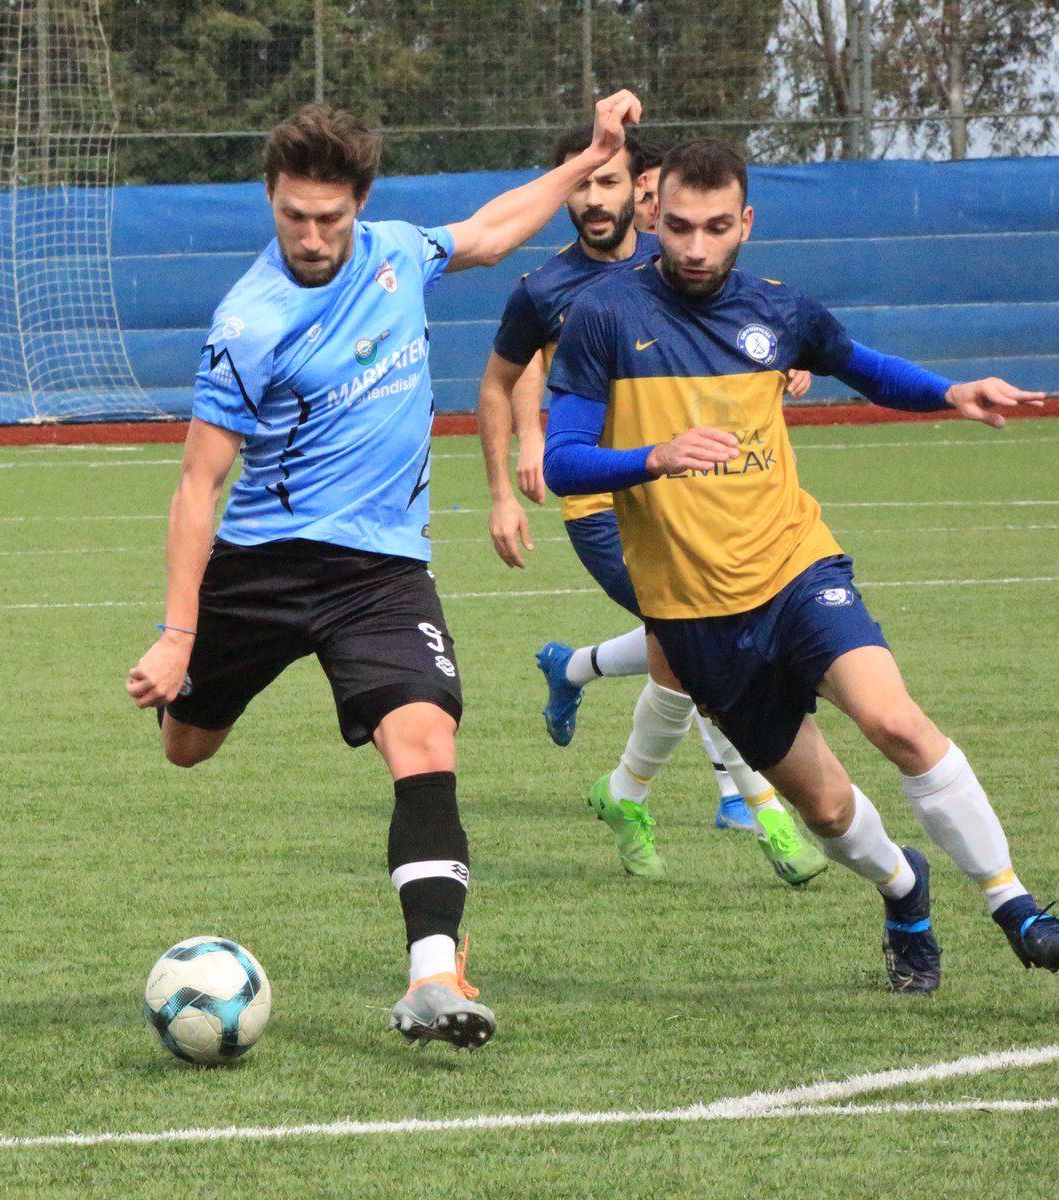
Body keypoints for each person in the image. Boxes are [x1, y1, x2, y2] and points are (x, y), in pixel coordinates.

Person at [125, 90, 643, 1050]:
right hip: (265, 566)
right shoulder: (248, 323)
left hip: (381, 571)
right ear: (270, 200)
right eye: (294, 216)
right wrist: (177, 632)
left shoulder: (399, 251)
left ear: (358, 204)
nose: (313, 236)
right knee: (184, 748)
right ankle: (198, 687)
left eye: (330, 217)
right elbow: (199, 485)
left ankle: (434, 978)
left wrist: (588, 160)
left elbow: (490, 232)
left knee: (426, 744)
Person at [542, 137, 1059, 992]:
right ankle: (904, 890)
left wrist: (947, 391)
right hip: (696, 617)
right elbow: (563, 460)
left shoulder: (781, 310)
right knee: (829, 810)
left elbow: (862, 368)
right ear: (654, 217)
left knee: (896, 721)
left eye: (716, 227)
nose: (693, 247)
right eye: (679, 226)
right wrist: (654, 457)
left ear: (745, 224)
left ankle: (1014, 905)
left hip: (797, 568)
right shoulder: (604, 316)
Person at [477, 125, 827, 886]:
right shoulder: (544, 289)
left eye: (612, 183)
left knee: (692, 650)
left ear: (641, 194)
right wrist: (510, 479)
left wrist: (783, 370)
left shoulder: (679, 266)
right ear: (564, 189)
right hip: (603, 505)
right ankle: (762, 808)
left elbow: (744, 345)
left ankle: (606, 743)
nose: (596, 198)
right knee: (707, 646)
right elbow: (500, 382)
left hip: (700, 501)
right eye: (582, 184)